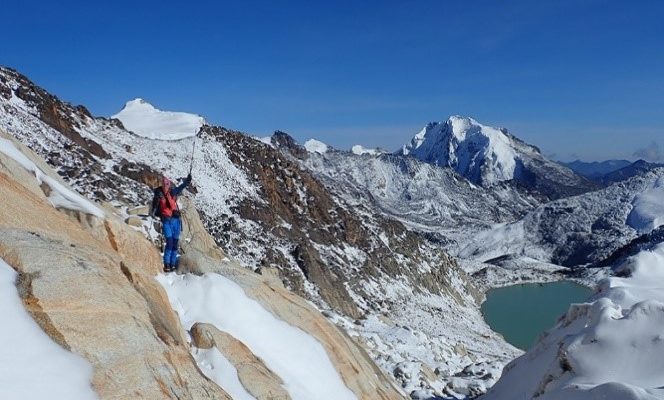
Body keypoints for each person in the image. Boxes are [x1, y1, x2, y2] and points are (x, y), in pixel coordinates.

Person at [150, 173, 192, 272]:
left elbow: (181, 187)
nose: (166, 186)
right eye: (164, 184)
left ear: (169, 185)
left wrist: (187, 181)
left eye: (167, 184)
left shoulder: (172, 192)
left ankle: (172, 264)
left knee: (175, 244)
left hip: (175, 221)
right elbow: (155, 205)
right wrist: (155, 206)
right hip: (166, 221)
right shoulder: (158, 194)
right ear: (162, 184)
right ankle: (167, 263)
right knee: (169, 243)